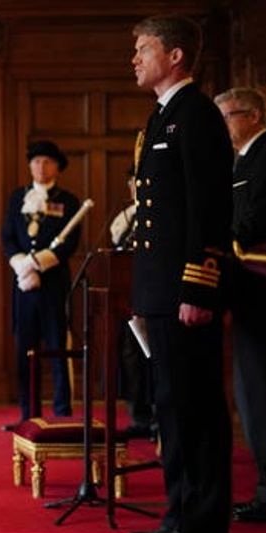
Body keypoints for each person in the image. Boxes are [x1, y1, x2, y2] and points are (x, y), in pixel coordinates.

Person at [124, 15, 234, 533]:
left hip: (184, 292)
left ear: (175, 56)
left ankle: (200, 521)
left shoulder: (197, 116)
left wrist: (198, 288)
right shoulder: (161, 117)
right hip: (161, 292)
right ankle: (179, 514)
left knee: (194, 407)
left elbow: (209, 210)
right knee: (171, 405)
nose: (135, 58)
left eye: (143, 49)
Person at [214, 87, 266, 523]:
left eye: (226, 117)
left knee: (259, 390)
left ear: (250, 116)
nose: (221, 126)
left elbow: (254, 218)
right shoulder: (242, 158)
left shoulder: (265, 153)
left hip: (260, 286)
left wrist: (217, 237)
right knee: (251, 391)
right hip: (246, 285)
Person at [0, 140, 81, 429]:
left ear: (57, 166)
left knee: (57, 345)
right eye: (35, 162)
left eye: (46, 162)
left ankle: (62, 411)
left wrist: (38, 264)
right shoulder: (16, 198)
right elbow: (8, 237)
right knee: (26, 348)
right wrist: (22, 265)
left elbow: (69, 243)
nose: (40, 167)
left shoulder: (69, 201)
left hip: (53, 285)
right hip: (23, 286)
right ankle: (27, 413)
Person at [109, 168, 157, 439]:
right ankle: (138, 416)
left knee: (153, 358)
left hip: (153, 297)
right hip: (127, 299)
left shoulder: (158, 213)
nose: (136, 187)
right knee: (130, 359)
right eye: (132, 182)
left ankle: (158, 419)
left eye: (140, 181)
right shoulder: (124, 218)